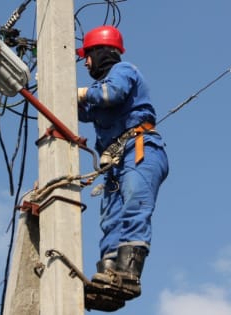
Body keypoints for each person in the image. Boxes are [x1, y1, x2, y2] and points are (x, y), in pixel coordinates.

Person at [76, 25, 169, 310]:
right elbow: (82, 111)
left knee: (134, 205)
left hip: (139, 149)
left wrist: (79, 91)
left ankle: (128, 272)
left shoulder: (123, 71)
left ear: (100, 51)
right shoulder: (98, 88)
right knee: (111, 220)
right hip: (115, 162)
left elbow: (109, 95)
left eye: (87, 56)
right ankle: (109, 276)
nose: (86, 62)